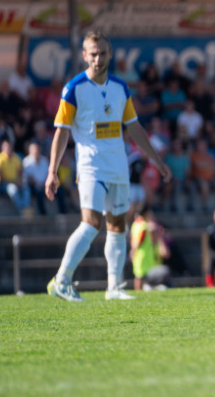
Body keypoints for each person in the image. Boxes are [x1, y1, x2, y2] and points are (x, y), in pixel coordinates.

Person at [46, 31, 172, 302]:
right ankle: (62, 280)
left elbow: (134, 127)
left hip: (118, 166)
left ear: (110, 54)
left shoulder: (120, 87)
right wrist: (52, 171)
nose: (98, 59)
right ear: (84, 56)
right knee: (91, 224)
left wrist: (157, 160)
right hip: (91, 167)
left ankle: (114, 287)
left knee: (117, 225)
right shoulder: (74, 88)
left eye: (102, 53)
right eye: (93, 54)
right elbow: (61, 132)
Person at [129, 208, 171, 291]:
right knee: (139, 277)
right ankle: (140, 291)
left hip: (142, 256)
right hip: (142, 256)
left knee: (139, 276)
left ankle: (142, 291)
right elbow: (138, 240)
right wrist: (133, 251)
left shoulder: (136, 225)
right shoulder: (143, 226)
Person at [0, 140, 28, 215]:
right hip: (3, 185)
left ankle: (26, 208)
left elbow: (20, 171)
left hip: (15, 182)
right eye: (6, 147)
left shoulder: (16, 157)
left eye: (9, 147)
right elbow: (2, 179)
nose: (8, 149)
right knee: (13, 189)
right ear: (2, 148)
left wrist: (20, 181)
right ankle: (22, 210)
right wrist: (15, 182)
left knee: (26, 188)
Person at [22, 142, 51, 216]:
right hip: (33, 186)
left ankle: (62, 212)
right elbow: (27, 177)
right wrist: (37, 184)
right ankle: (42, 213)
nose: (36, 151)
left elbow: (48, 174)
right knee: (38, 192)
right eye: (34, 150)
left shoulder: (44, 160)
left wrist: (45, 184)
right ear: (30, 151)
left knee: (59, 190)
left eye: (37, 149)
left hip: (45, 184)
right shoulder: (26, 162)